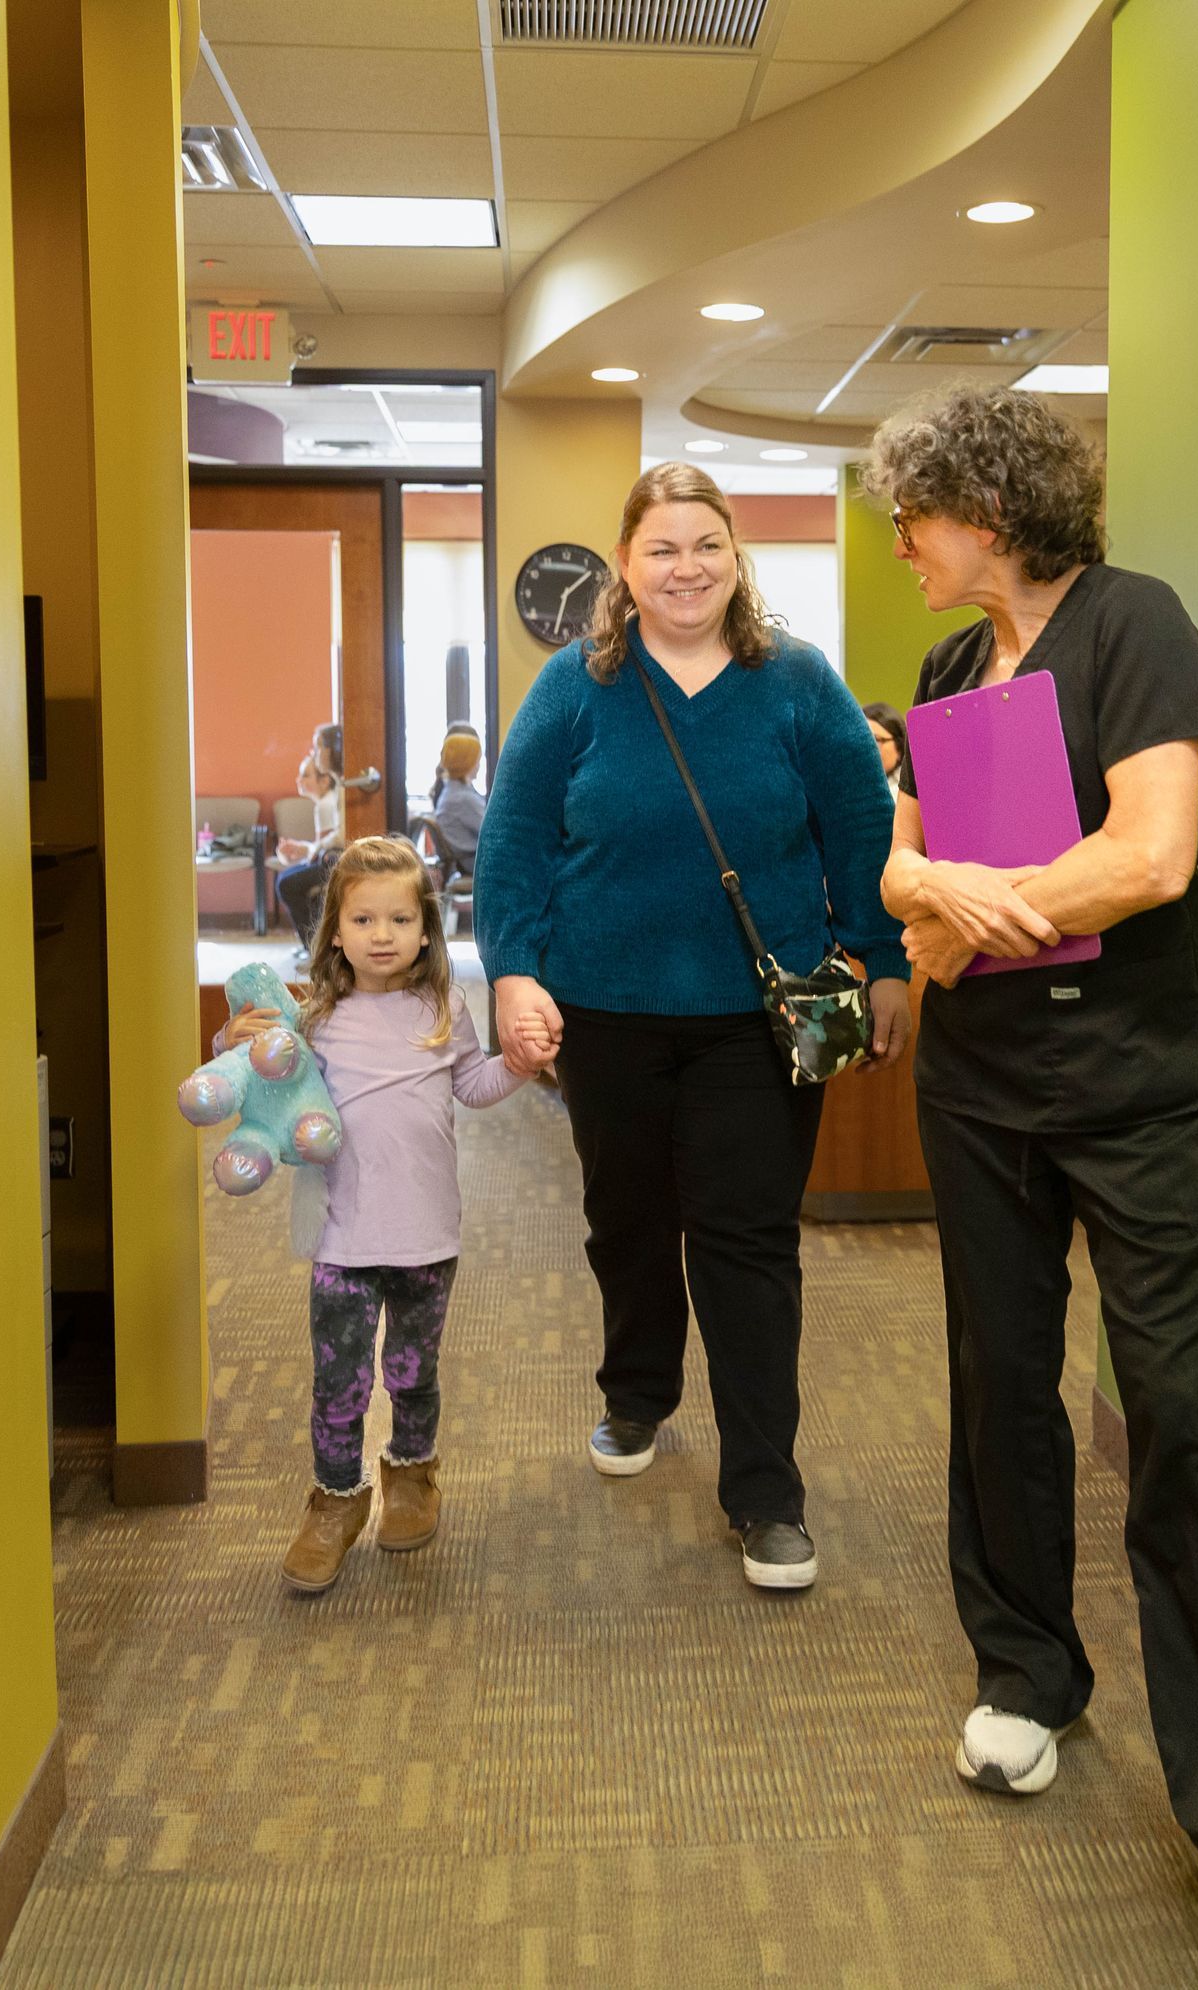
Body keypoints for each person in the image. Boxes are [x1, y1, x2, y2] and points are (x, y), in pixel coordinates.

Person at [865, 385, 1198, 1966]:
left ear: (989, 516)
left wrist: (966, 899)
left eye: (915, 517)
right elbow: (898, 868)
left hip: (1142, 1098)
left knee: (1178, 1416)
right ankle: (1024, 1675)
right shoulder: (951, 662)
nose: (902, 544)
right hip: (984, 1090)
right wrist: (938, 889)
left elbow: (1152, 855)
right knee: (997, 1382)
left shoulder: (1135, 625)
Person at [475, 461, 911, 1592]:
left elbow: (862, 830)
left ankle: (767, 1491)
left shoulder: (798, 683)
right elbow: (515, 841)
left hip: (756, 1023)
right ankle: (637, 1389)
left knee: (748, 1242)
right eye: (663, 548)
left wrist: (889, 961)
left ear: (736, 558)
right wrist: (512, 972)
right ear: (626, 565)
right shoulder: (577, 687)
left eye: (706, 546)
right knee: (626, 1217)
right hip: (605, 1011)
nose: (686, 568)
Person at [216, 835, 537, 1595]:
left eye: (398, 920)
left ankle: (411, 1477)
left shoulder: (445, 1006)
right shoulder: (316, 1015)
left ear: (427, 929)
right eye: (364, 921)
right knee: (340, 1381)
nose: (382, 936)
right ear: (335, 930)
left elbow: (472, 1086)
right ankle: (334, 1500)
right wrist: (232, 1038)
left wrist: (519, 1067)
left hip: (427, 1233)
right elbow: (262, 1076)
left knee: (413, 1371)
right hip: (342, 1234)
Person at [276, 721, 345, 953]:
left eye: (318, 749)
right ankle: (313, 944)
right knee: (288, 878)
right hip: (333, 854)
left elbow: (342, 835)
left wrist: (308, 850)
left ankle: (315, 946)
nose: (315, 755)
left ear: (333, 750)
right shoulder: (339, 788)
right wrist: (307, 849)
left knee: (287, 882)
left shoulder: (341, 790)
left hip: (341, 859)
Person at [428, 729, 486, 882]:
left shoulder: (452, 792)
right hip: (474, 863)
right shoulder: (462, 799)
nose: (479, 765)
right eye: (477, 759)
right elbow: (493, 830)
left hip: (466, 862)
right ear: (467, 761)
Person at [861, 700, 908, 797]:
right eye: (861, 740)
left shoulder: (908, 791)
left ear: (899, 748)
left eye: (876, 740)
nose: (865, 749)